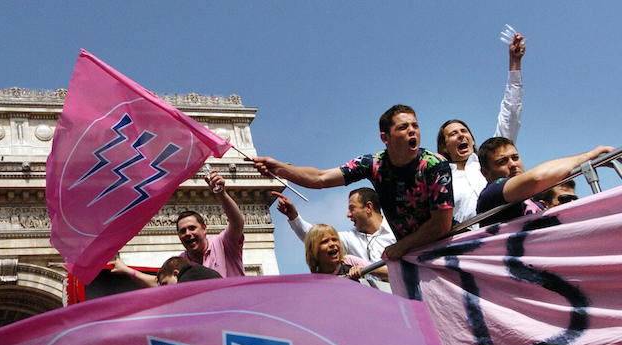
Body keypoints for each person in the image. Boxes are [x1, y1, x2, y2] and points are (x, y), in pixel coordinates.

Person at [252, 104, 454, 260]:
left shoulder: (435, 164)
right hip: (411, 257)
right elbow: (321, 178)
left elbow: (441, 225)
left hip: (446, 250)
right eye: (403, 127)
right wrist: (279, 168)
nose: (412, 131)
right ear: (385, 137)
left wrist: (400, 246)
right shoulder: (372, 163)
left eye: (415, 126)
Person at [437, 32, 526, 225]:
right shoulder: (440, 180)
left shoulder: (491, 160)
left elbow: (510, 115)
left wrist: (514, 64)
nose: (461, 135)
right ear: (444, 147)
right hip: (471, 248)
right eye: (453, 134)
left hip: (511, 227)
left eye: (464, 131)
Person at [113, 168, 245, 287]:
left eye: (192, 228)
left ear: (204, 228)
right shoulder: (181, 263)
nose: (188, 233)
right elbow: (162, 282)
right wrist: (127, 270)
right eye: (183, 231)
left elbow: (237, 223)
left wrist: (221, 194)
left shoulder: (223, 243)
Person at [475, 137, 613, 226]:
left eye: (515, 157)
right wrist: (590, 156)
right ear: (485, 173)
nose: (513, 164)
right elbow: (537, 178)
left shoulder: (534, 202)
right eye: (502, 161)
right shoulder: (490, 194)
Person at [273, 188, 393, 278]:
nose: (348, 215)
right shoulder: (348, 238)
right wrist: (294, 217)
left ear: (368, 207)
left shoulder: (399, 232)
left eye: (352, 208)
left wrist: (367, 269)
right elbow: (315, 237)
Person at [156, 256, 222, 286]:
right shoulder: (196, 273)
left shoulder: (185, 280)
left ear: (175, 274)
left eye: (164, 284)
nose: (163, 289)